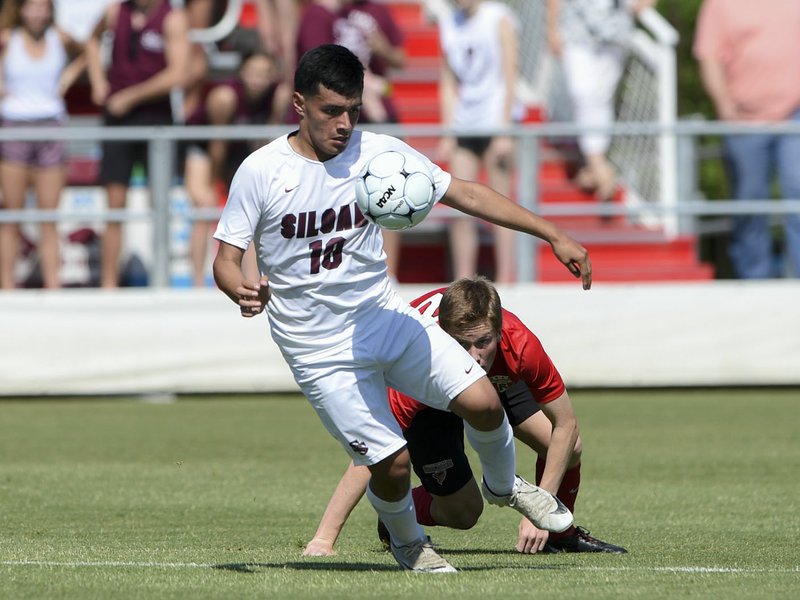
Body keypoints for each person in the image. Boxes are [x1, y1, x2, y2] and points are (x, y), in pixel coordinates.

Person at [212, 44, 591, 573]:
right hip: (318, 348)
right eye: (330, 111)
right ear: (298, 104)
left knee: (483, 403)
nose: (344, 124)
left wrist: (554, 233)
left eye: (353, 110)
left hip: (384, 317)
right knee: (391, 462)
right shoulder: (261, 171)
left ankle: (506, 486)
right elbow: (226, 261)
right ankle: (411, 544)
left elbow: (468, 195)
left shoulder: (381, 154)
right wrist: (242, 289)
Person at [304, 276, 626, 556]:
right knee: (465, 512)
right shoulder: (422, 359)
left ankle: (560, 534)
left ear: (500, 330)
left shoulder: (520, 345)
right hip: (434, 390)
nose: (474, 357)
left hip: (496, 385)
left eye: (483, 342)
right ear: (444, 335)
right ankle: (399, 515)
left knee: (571, 449)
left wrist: (538, 512)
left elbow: (565, 424)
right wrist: (324, 538)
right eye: (462, 344)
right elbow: (374, 452)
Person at [85, 0, 190, 288]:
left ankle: (161, 282)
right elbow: (91, 41)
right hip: (117, 120)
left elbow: (179, 73)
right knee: (114, 205)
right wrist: (97, 82)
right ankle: (109, 285)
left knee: (160, 203)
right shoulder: (116, 11)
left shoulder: (172, 18)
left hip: (156, 121)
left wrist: (131, 96)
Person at [693, 0, 800, 279]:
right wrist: (724, 105)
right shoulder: (719, 5)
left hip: (795, 115)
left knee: (798, 195)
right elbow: (709, 56)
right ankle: (755, 282)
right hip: (745, 118)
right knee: (749, 202)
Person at [183, 49, 290, 286]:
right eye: (253, 73)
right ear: (242, 72)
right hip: (204, 148)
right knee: (205, 204)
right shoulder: (225, 97)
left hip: (242, 151)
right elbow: (216, 145)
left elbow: (269, 140)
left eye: (265, 74)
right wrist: (215, 184)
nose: (258, 79)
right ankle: (197, 283)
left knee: (254, 210)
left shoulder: (279, 95)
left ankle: (252, 282)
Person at [0, 0, 84, 290]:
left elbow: (91, 51)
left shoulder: (60, 38)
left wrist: (69, 77)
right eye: (31, 7)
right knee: (12, 215)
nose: (37, 13)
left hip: (51, 126)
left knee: (49, 217)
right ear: (20, 10)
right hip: (14, 127)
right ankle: (6, 288)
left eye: (42, 7)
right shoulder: (7, 38)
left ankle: (53, 287)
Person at [437, 0, 522, 284]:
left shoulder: (498, 17)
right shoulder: (449, 22)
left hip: (495, 120)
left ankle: (507, 279)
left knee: (502, 208)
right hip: (466, 123)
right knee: (460, 207)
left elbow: (511, 75)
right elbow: (448, 81)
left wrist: (504, 129)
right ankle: (463, 281)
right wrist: (448, 130)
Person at [546, 0, 655, 208]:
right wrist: (551, 28)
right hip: (575, 30)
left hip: (615, 32)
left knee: (601, 100)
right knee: (582, 93)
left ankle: (592, 167)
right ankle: (600, 168)